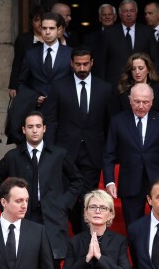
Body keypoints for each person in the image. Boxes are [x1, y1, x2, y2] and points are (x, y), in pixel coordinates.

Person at [0, 111, 83, 267]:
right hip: (23, 216)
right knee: (24, 261)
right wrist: (6, 205)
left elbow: (77, 179)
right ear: (24, 130)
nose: (34, 130)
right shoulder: (13, 156)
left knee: (52, 262)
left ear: (44, 128)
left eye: (38, 126)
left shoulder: (58, 154)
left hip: (53, 216)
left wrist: (65, 203)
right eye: (30, 126)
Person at [44, 45, 114, 234]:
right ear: (71, 64)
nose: (82, 69)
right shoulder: (59, 87)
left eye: (85, 64)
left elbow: (110, 124)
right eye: (78, 65)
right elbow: (50, 121)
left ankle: (84, 236)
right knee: (68, 195)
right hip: (65, 153)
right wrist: (49, 151)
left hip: (92, 151)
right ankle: (76, 229)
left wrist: (109, 151)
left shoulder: (105, 88)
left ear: (91, 63)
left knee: (87, 197)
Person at [103, 83, 159, 228]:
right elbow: (109, 154)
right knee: (133, 226)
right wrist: (109, 181)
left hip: (158, 182)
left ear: (152, 101)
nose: (141, 106)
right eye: (137, 101)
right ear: (129, 100)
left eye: (145, 102)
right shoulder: (118, 121)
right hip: (130, 182)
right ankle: (136, 252)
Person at [7, 12, 72, 144]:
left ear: (59, 29)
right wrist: (34, 96)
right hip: (37, 111)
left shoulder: (70, 53)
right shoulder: (31, 54)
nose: (47, 32)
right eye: (44, 28)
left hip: (64, 112)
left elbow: (75, 82)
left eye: (52, 28)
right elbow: (22, 82)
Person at [0, 177, 54, 269]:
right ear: (4, 202)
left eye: (26, 200)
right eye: (19, 201)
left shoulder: (39, 232)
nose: (24, 206)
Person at [100, 0, 159, 93]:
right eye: (125, 11)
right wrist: (103, 85)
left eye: (132, 11)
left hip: (142, 85)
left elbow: (155, 58)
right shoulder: (109, 33)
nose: (129, 14)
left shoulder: (147, 32)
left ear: (136, 13)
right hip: (115, 85)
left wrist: (152, 81)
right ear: (119, 14)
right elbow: (102, 61)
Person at [63, 189, 131, 269]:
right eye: (92, 207)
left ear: (111, 214)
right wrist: (87, 259)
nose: (97, 211)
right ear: (86, 212)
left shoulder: (119, 241)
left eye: (103, 208)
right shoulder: (74, 242)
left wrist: (100, 257)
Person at [116, 52, 159, 123]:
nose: (137, 72)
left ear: (148, 69)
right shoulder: (124, 89)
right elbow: (117, 117)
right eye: (133, 69)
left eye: (141, 68)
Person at [8, 4, 45, 99]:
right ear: (31, 22)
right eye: (36, 20)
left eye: (42, 20)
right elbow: (17, 62)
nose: (40, 23)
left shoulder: (52, 38)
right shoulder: (23, 39)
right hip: (27, 83)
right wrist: (13, 86)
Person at [82, 3, 117, 78]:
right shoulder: (89, 38)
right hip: (97, 79)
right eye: (104, 15)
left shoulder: (124, 36)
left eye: (110, 14)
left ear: (115, 17)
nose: (107, 17)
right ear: (100, 18)